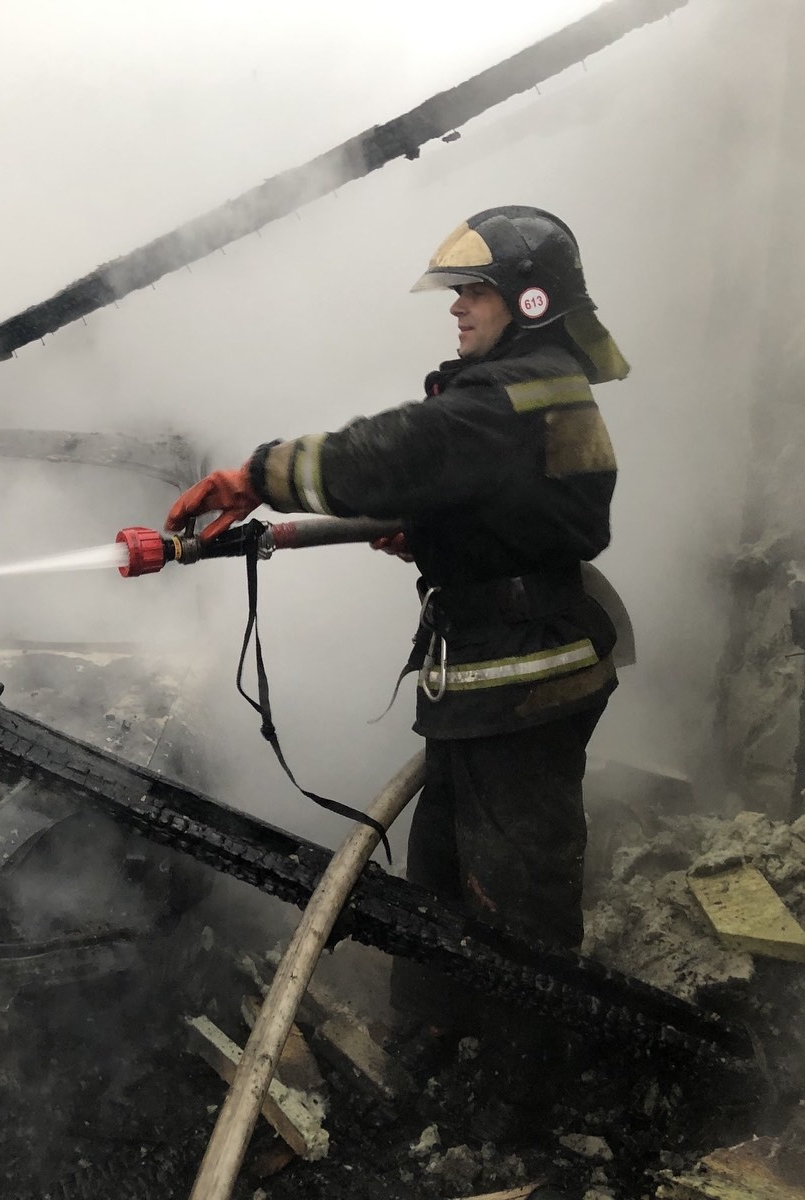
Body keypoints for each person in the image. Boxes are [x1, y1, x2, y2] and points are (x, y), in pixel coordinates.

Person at [166, 205, 628, 1064]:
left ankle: (522, 1091)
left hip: (521, 684)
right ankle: (431, 1035)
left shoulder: (514, 393)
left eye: (475, 292)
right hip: (493, 677)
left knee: (516, 904)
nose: (457, 307)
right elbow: (538, 514)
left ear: (530, 300)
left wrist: (256, 475)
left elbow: (392, 454)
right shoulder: (537, 388)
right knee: (444, 876)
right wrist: (439, 536)